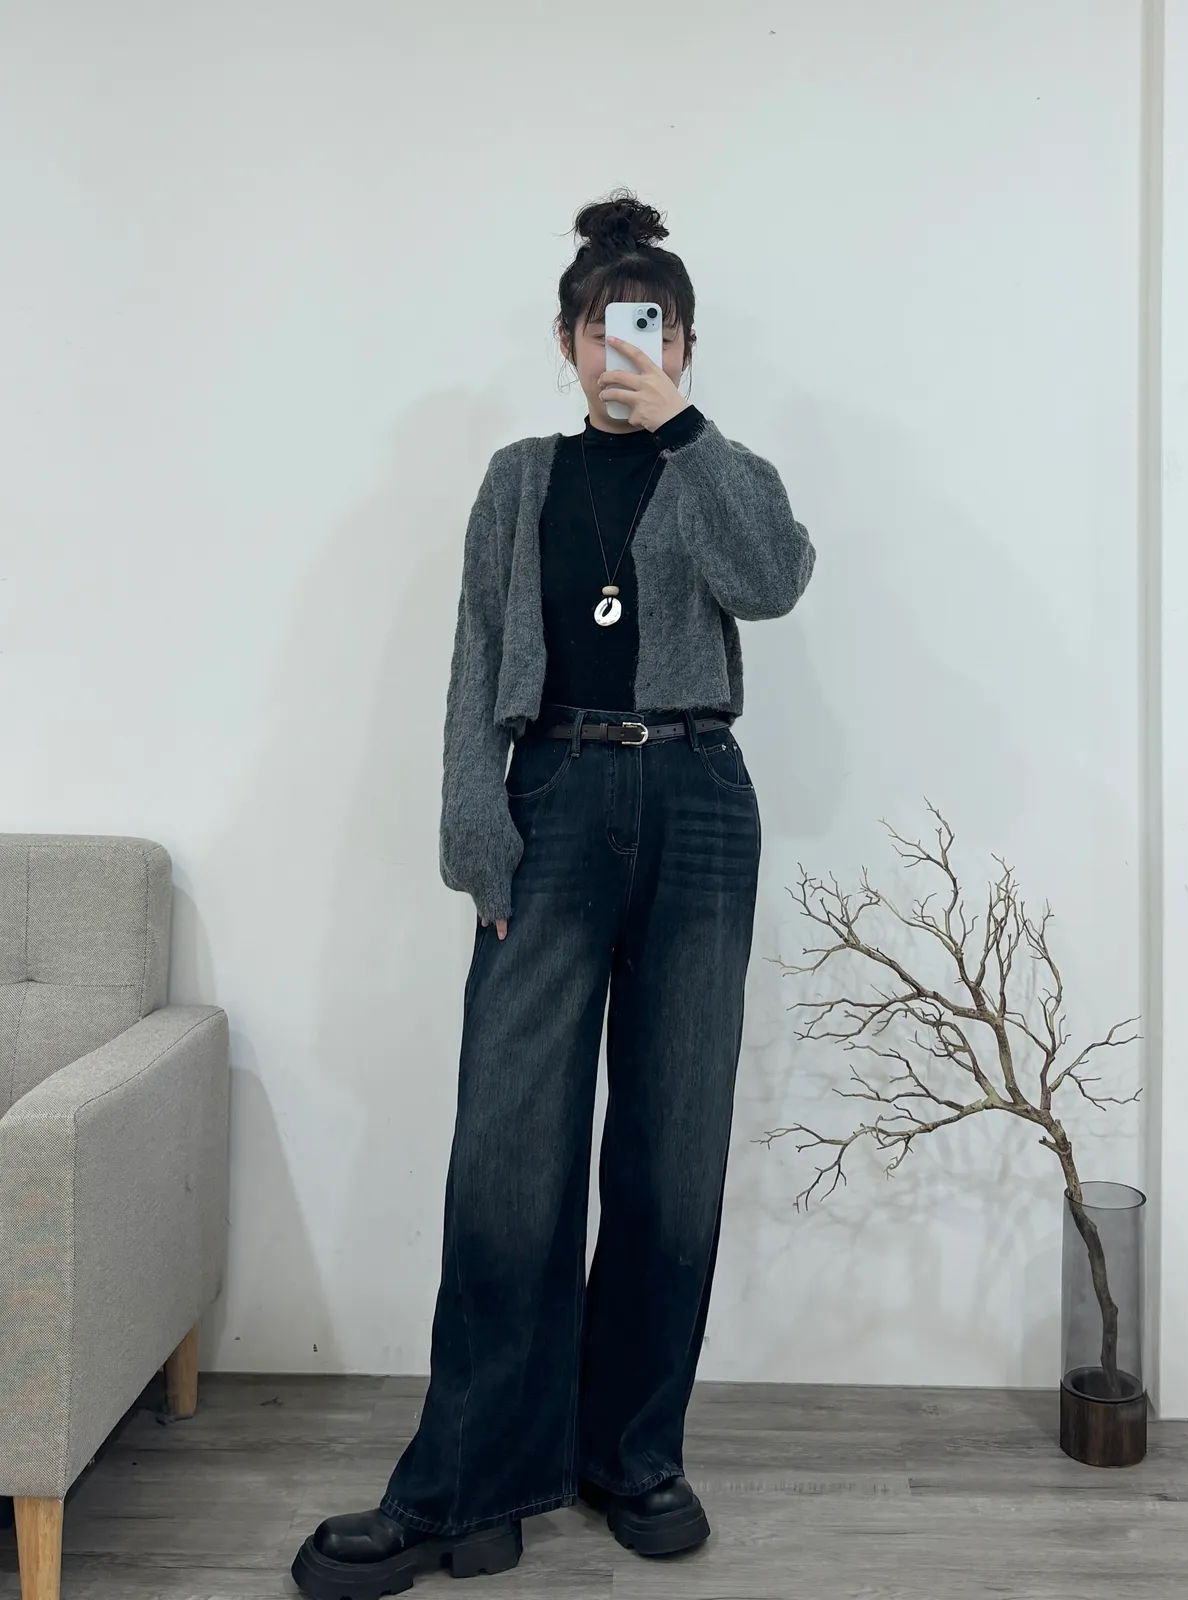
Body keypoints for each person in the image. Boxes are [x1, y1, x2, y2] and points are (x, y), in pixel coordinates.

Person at [291, 189, 816, 1600]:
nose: (624, 352)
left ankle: (631, 1455)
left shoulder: (720, 470)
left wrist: (687, 434)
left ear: (685, 346)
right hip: (556, 802)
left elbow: (774, 581)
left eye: (651, 330)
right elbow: (478, 659)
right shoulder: (519, 479)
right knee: (510, 1149)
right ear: (568, 343)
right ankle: (469, 1479)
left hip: (699, 802)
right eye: (602, 328)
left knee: (672, 1143)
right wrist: (479, 835)